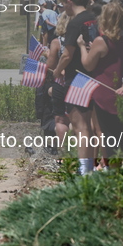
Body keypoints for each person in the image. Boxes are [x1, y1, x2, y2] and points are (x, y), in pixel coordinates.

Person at [76, 0, 123, 167]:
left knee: (107, 134)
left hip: (104, 93)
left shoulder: (102, 41)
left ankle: (112, 171)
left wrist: (82, 47)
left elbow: (88, 65)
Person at [53, 0, 97, 175]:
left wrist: (57, 71)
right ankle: (95, 165)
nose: (63, 9)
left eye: (63, 5)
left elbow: (67, 55)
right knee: (95, 127)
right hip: (96, 77)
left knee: (80, 127)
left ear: (69, 3)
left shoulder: (75, 22)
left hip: (78, 78)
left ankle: (83, 169)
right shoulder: (95, 17)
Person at [46, 12, 71, 148]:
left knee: (61, 120)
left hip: (61, 82)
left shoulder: (57, 42)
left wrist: (47, 54)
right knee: (80, 120)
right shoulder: (84, 40)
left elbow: (50, 64)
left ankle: (64, 152)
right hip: (80, 83)